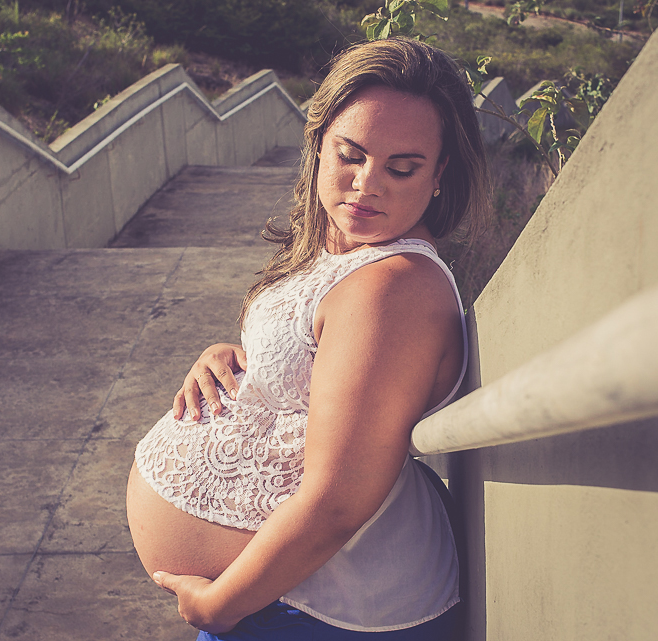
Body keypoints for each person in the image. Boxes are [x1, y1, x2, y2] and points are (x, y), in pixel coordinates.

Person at [126, 37, 489, 640]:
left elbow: (339, 499)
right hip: (281, 594)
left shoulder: (395, 286)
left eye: (403, 167)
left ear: (439, 174)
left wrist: (221, 608)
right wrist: (236, 362)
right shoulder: (343, 255)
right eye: (351, 155)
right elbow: (317, 370)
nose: (367, 184)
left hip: (330, 610)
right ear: (318, 143)